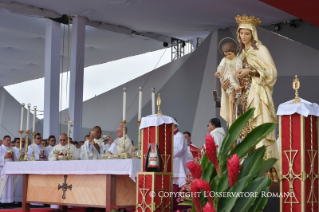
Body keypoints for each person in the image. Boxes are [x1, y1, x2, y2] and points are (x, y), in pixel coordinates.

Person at [222, 14, 279, 170]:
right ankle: (244, 170)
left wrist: (251, 71)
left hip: (256, 96)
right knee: (243, 135)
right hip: (242, 99)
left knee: (258, 131)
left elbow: (272, 72)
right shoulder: (238, 55)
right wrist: (227, 86)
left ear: (253, 34)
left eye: (247, 33)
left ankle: (265, 169)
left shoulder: (261, 50)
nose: (244, 36)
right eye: (241, 33)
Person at [216, 42, 243, 127]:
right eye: (226, 55)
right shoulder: (225, 60)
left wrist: (238, 72)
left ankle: (233, 92)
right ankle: (232, 92)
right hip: (227, 78)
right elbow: (221, 67)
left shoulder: (238, 59)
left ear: (234, 52)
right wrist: (218, 73)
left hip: (236, 78)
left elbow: (239, 67)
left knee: (238, 112)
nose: (228, 56)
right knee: (228, 78)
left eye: (229, 54)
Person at [172, 121, 189, 211]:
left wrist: (168, 154)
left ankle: (179, 207)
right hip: (172, 162)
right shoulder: (169, 136)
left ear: (173, 125)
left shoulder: (180, 136)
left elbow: (180, 150)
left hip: (177, 163)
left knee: (177, 184)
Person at [0, 135, 14, 208]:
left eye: (10, 140)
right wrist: (4, 157)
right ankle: (2, 202)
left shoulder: (11, 149)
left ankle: (9, 202)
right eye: (7, 140)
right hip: (2, 170)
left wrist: (12, 157)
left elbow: (15, 159)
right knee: (2, 185)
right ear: (3, 140)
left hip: (9, 169)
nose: (9, 142)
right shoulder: (0, 148)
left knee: (9, 186)